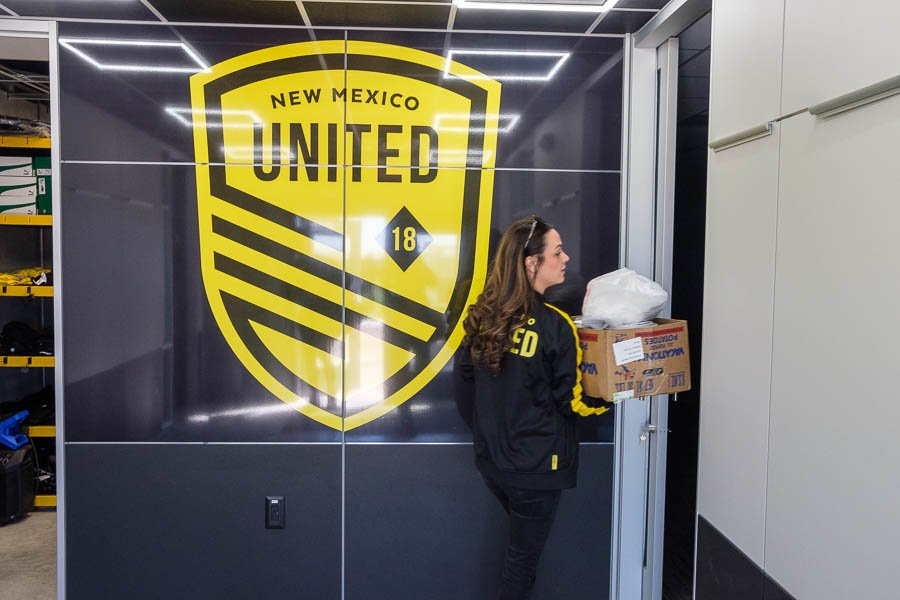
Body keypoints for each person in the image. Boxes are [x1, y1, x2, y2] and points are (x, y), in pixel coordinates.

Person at [459, 215, 608, 600]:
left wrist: (491, 432)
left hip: (493, 464)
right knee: (521, 561)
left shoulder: (481, 315)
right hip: (536, 470)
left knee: (521, 553)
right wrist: (613, 396)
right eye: (557, 252)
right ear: (531, 263)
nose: (566, 258)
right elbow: (573, 402)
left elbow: (466, 386)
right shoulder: (556, 325)